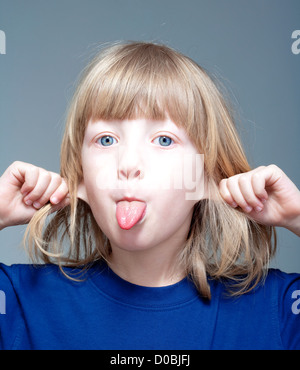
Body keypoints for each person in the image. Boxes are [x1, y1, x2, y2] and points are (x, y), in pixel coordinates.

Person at [0, 41, 299, 350]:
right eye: (106, 139)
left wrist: (296, 216)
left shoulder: (279, 309)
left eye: (164, 140)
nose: (128, 164)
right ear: (81, 175)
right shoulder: (18, 301)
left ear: (205, 172)